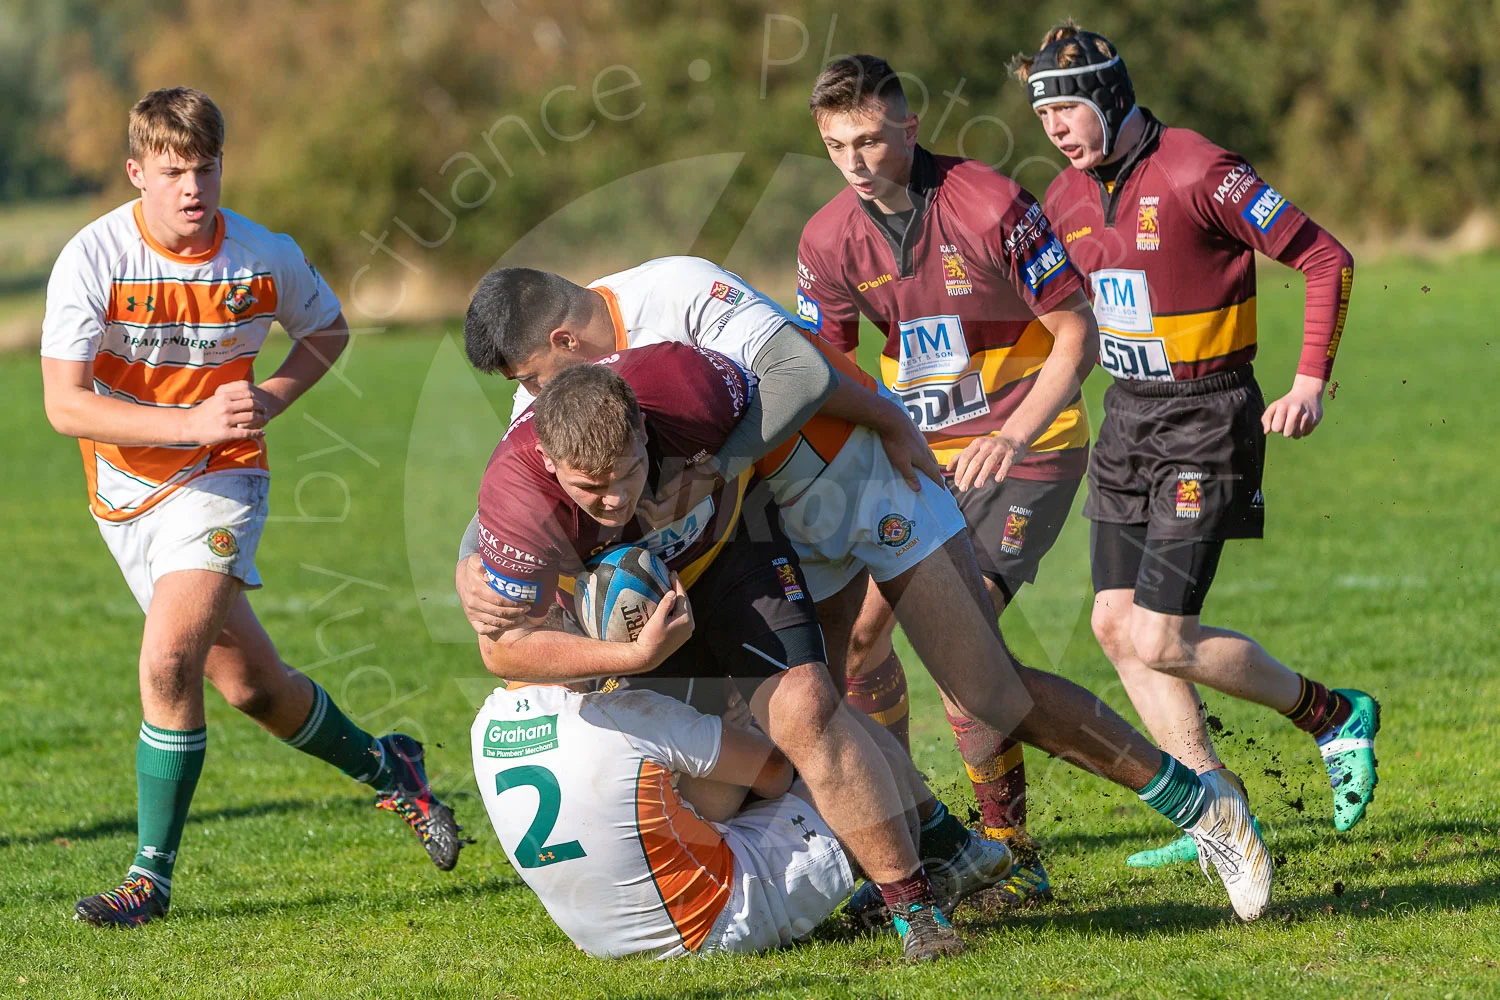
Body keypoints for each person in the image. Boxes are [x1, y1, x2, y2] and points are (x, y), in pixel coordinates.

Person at [456, 263, 1275, 923]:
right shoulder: (571, 395)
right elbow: (527, 471)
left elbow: (800, 371)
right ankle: (945, 854)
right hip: (775, 522)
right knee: (813, 712)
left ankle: (1202, 806)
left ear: (562, 340)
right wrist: (475, 570)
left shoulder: (671, 291)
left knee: (990, 693)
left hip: (861, 479)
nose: (531, 395)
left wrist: (877, 422)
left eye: (530, 377)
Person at [38, 87, 461, 928]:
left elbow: (327, 332)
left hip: (222, 479)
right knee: (252, 689)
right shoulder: (94, 257)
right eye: (172, 172)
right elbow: (64, 405)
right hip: (124, 490)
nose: (192, 187)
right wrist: (185, 422)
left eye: (205, 168)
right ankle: (393, 769)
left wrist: (265, 399)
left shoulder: (263, 256)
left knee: (167, 664)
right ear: (136, 173)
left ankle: (148, 881)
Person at [465, 342, 1007, 961]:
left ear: (644, 430)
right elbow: (503, 650)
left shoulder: (685, 388)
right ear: (547, 461)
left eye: (629, 473)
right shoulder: (516, 496)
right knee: (716, 792)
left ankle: (916, 912)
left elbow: (802, 375)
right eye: (591, 487)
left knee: (806, 710)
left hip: (734, 552)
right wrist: (634, 659)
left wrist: (881, 420)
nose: (615, 500)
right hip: (641, 618)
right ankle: (941, 839)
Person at [1012, 22, 1380, 867]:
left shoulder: (1200, 170)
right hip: (1127, 419)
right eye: (1042, 115)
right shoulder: (1064, 197)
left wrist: (1309, 381)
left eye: (1068, 108)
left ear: (1110, 96)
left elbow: (1326, 258)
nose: (1056, 128)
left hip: (1208, 419)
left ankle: (1333, 715)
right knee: (1114, 623)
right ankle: (1215, 803)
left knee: (1161, 638)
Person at [795, 53, 1100, 903]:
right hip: (918, 458)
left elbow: (1077, 334)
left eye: (868, 140)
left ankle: (1006, 850)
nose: (855, 161)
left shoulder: (991, 204)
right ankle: (900, 832)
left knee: (963, 647)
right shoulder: (827, 238)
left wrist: (1011, 434)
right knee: (859, 641)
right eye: (835, 145)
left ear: (910, 126)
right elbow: (828, 372)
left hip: (1031, 446)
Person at [471, 673, 965, 958]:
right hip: (719, 920)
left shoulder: (486, 723)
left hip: (608, 942)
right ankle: (940, 856)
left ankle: (945, 844)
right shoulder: (626, 714)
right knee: (837, 732)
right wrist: (743, 716)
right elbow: (775, 774)